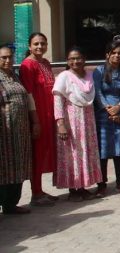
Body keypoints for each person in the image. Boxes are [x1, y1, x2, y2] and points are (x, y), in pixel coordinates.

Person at [53, 47, 103, 201]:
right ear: (67, 61)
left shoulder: (89, 75)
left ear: (84, 59)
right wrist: (61, 124)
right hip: (71, 121)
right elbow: (57, 101)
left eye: (78, 58)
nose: (75, 61)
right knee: (72, 154)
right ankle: (73, 190)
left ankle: (82, 187)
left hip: (87, 121)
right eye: (72, 59)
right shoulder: (64, 77)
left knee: (85, 153)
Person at [19, 32, 58, 206]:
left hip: (49, 114)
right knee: (37, 154)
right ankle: (35, 193)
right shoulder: (27, 65)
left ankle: (40, 190)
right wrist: (35, 120)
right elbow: (28, 94)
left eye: (43, 43)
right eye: (36, 44)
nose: (40, 46)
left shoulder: (46, 63)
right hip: (38, 115)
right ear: (29, 46)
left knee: (44, 153)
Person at [0, 45, 39, 214]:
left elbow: (28, 99)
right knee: (4, 169)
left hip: (21, 132)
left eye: (10, 57)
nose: (8, 60)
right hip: (4, 133)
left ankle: (11, 204)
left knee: (20, 166)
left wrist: (35, 122)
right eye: (4, 57)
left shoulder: (15, 76)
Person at [92, 41, 120, 195]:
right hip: (103, 115)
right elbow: (97, 91)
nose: (116, 55)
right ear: (107, 54)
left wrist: (119, 107)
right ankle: (101, 185)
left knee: (119, 150)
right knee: (103, 150)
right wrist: (108, 109)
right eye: (113, 53)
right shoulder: (99, 71)